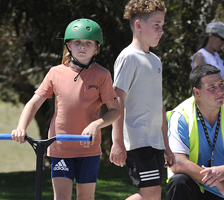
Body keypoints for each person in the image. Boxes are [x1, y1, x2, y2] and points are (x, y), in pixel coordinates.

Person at [11, 18, 121, 200]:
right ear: (69, 45)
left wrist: (96, 125)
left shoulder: (102, 75)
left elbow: (115, 111)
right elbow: (33, 103)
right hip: (60, 147)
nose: (82, 46)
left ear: (97, 48)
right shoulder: (55, 72)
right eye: (77, 42)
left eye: (88, 43)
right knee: (61, 197)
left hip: (88, 149)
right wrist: (21, 127)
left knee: (85, 198)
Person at [110, 0, 174, 199]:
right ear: (138, 25)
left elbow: (159, 105)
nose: (161, 30)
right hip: (137, 140)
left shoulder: (156, 61)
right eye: (156, 25)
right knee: (151, 194)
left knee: (154, 195)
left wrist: (166, 145)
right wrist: (117, 141)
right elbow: (116, 100)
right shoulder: (128, 57)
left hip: (154, 141)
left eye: (162, 25)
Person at [166, 64, 224, 200]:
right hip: (195, 189)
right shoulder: (180, 116)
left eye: (221, 84)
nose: (220, 90)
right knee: (178, 182)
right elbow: (178, 162)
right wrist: (218, 181)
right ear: (197, 92)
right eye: (212, 87)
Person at [191, 22, 224, 100]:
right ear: (211, 36)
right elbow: (201, 85)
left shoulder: (217, 56)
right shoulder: (200, 56)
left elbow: (223, 82)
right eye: (222, 39)